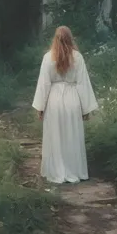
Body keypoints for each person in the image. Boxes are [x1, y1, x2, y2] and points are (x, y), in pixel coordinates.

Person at [32, 26, 98, 184]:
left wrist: (40, 107)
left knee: (55, 135)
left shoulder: (48, 57)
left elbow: (44, 84)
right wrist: (85, 108)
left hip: (53, 100)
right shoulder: (77, 57)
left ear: (55, 38)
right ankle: (74, 170)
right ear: (70, 38)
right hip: (72, 99)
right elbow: (82, 83)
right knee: (72, 135)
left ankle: (56, 170)